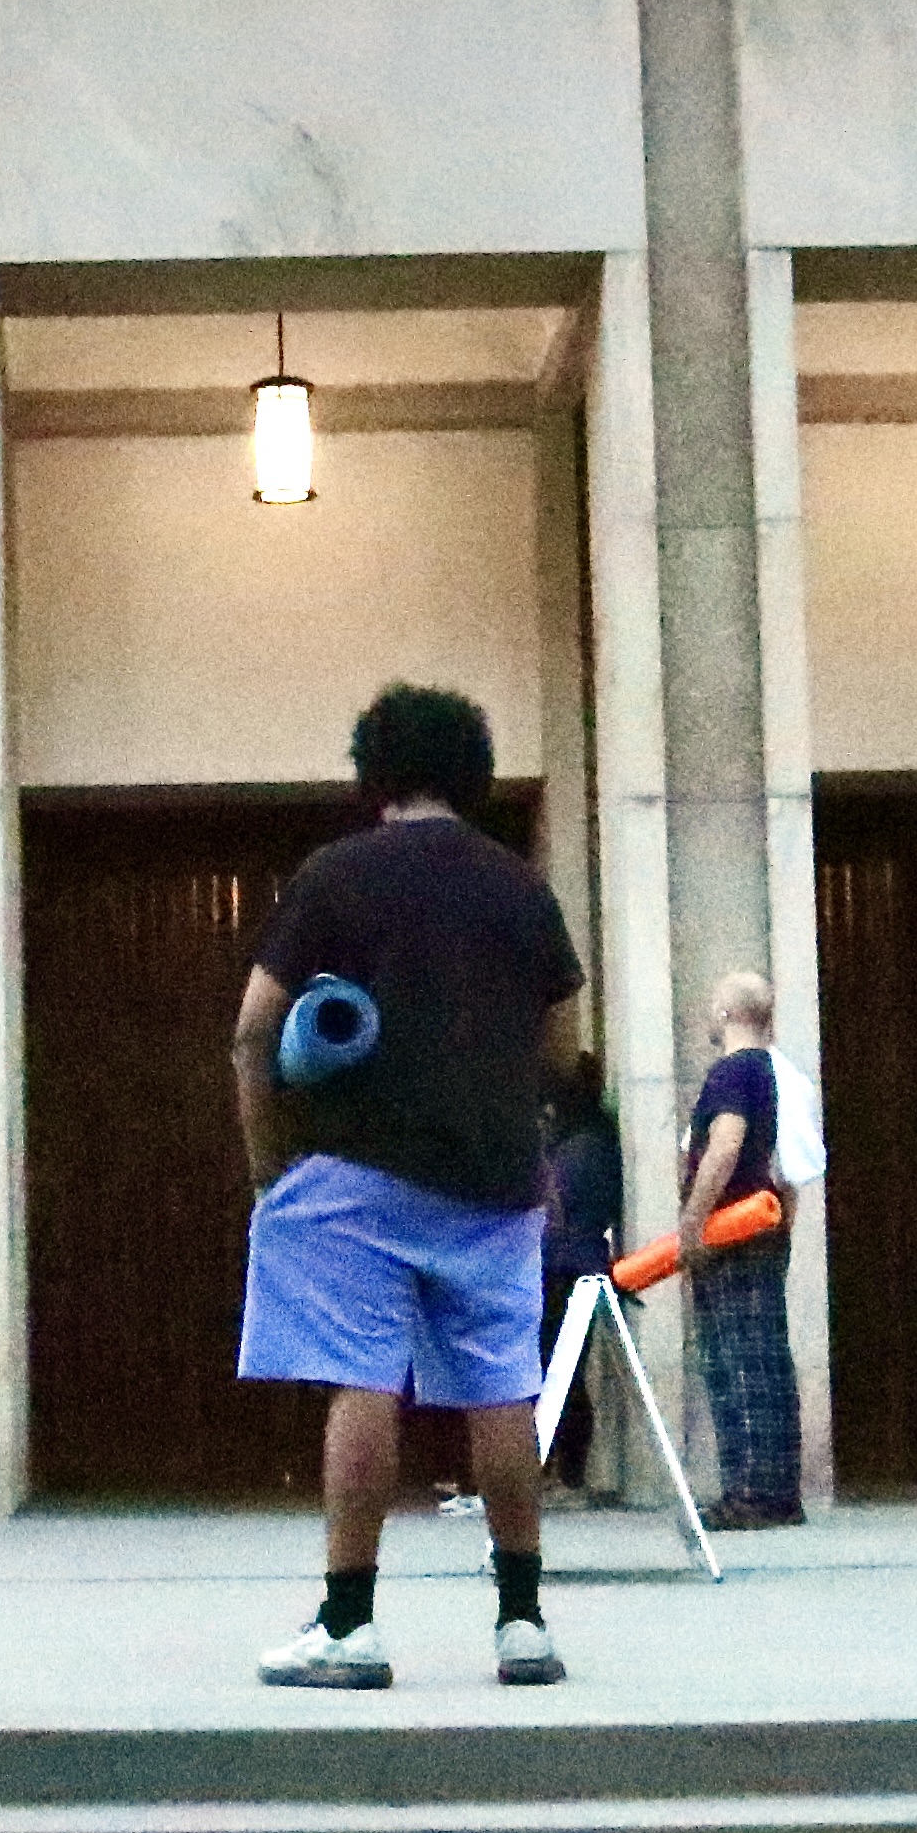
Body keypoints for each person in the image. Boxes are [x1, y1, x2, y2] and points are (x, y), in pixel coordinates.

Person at [239, 684, 589, 1693]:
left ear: (373, 768)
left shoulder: (335, 876)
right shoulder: (520, 887)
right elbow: (560, 1048)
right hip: (493, 1179)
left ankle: (348, 1624)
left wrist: (272, 1168)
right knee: (500, 1385)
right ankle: (522, 1621)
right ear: (474, 769)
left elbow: (253, 1028)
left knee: (363, 1378)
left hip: (359, 1176)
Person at [675, 972, 808, 1527]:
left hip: (729, 1233)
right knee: (768, 1355)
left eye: (713, 1007)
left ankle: (749, 1493)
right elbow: (794, 1166)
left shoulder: (732, 1073)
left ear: (728, 1014)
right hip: (763, 1229)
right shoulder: (778, 1074)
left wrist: (691, 1223)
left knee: (736, 1360)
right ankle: (779, 1490)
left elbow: (725, 1144)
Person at [536, 1046, 624, 1494]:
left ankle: (567, 1470)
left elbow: (562, 1209)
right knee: (563, 1369)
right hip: (576, 1265)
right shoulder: (590, 1138)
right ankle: (563, 1468)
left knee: (560, 1369)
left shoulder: (581, 1146)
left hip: (567, 1268)